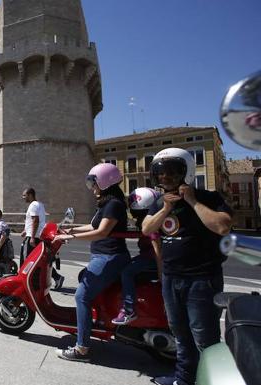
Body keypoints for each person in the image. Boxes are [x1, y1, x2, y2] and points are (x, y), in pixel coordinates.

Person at [142, 148, 232, 385]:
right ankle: (183, 380)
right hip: (172, 278)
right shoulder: (161, 203)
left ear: (186, 172)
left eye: (170, 173)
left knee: (205, 339)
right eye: (160, 174)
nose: (164, 178)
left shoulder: (210, 198)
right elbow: (146, 229)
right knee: (180, 336)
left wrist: (191, 200)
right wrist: (165, 209)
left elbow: (222, 226)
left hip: (202, 280)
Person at [55, 163, 131, 362]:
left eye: (93, 183)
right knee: (83, 281)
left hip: (109, 256)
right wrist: (71, 230)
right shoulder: (106, 204)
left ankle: (81, 348)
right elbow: (93, 225)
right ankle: (92, 324)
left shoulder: (114, 204)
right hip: (103, 256)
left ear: (105, 182)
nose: (92, 188)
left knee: (81, 296)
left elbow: (102, 232)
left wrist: (70, 239)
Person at [111, 187, 163, 325]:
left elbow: (157, 248)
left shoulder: (151, 223)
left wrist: (161, 273)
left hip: (152, 259)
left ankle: (128, 309)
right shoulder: (154, 218)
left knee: (127, 272)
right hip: (149, 257)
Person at [21, 188, 64, 290]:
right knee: (38, 261)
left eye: (24, 195)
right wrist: (25, 230)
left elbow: (36, 220)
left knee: (28, 262)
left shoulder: (32, 205)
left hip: (33, 237)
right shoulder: (39, 204)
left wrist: (31, 236)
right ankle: (56, 277)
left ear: (30, 195)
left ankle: (28, 283)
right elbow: (34, 221)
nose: (23, 197)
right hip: (38, 236)